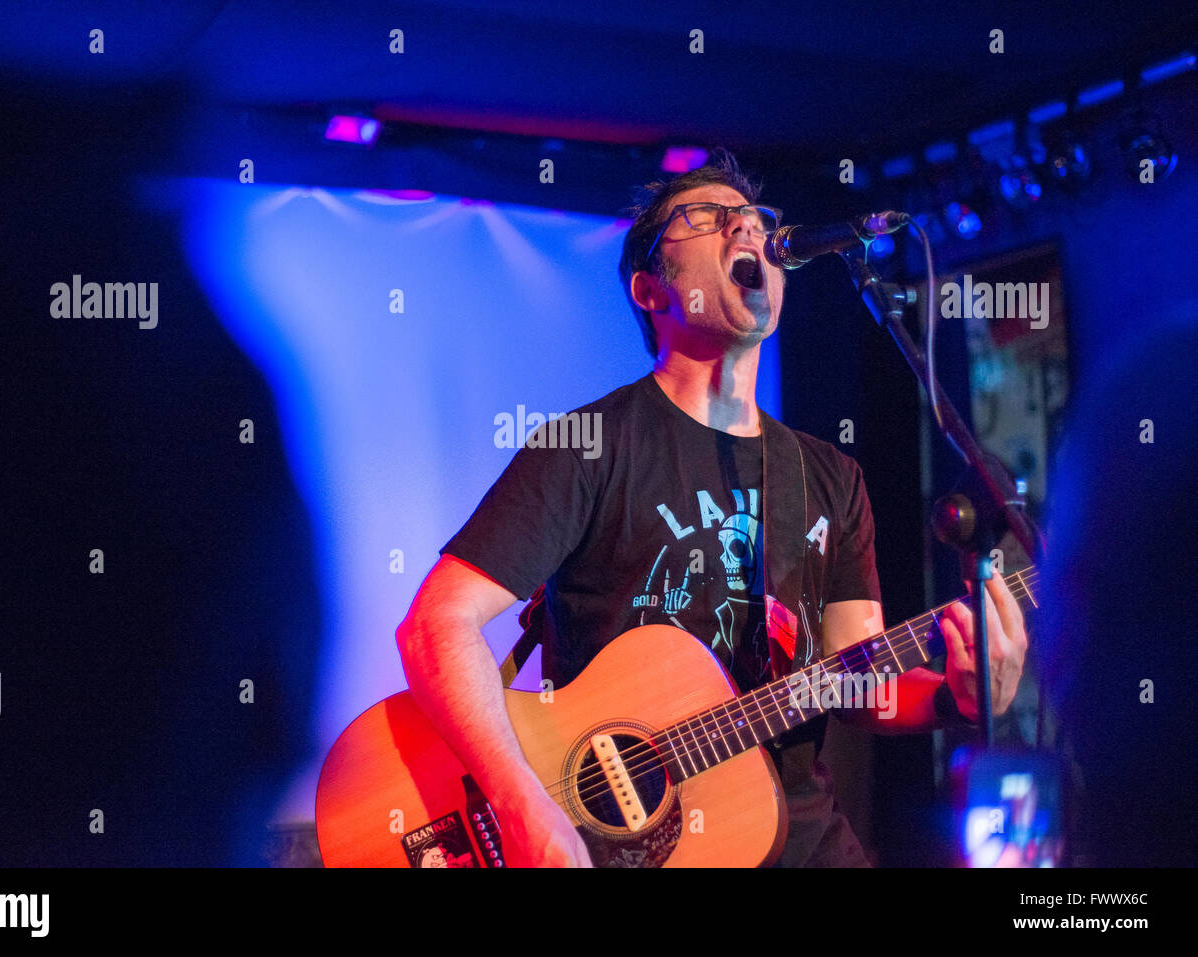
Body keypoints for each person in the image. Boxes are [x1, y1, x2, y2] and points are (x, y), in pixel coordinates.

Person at [395, 150, 1028, 867]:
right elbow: (435, 624)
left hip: (798, 838)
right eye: (706, 218)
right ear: (650, 289)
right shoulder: (589, 446)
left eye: (756, 219)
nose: (745, 230)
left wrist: (960, 696)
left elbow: (860, 687)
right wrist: (523, 803)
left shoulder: (826, 475)